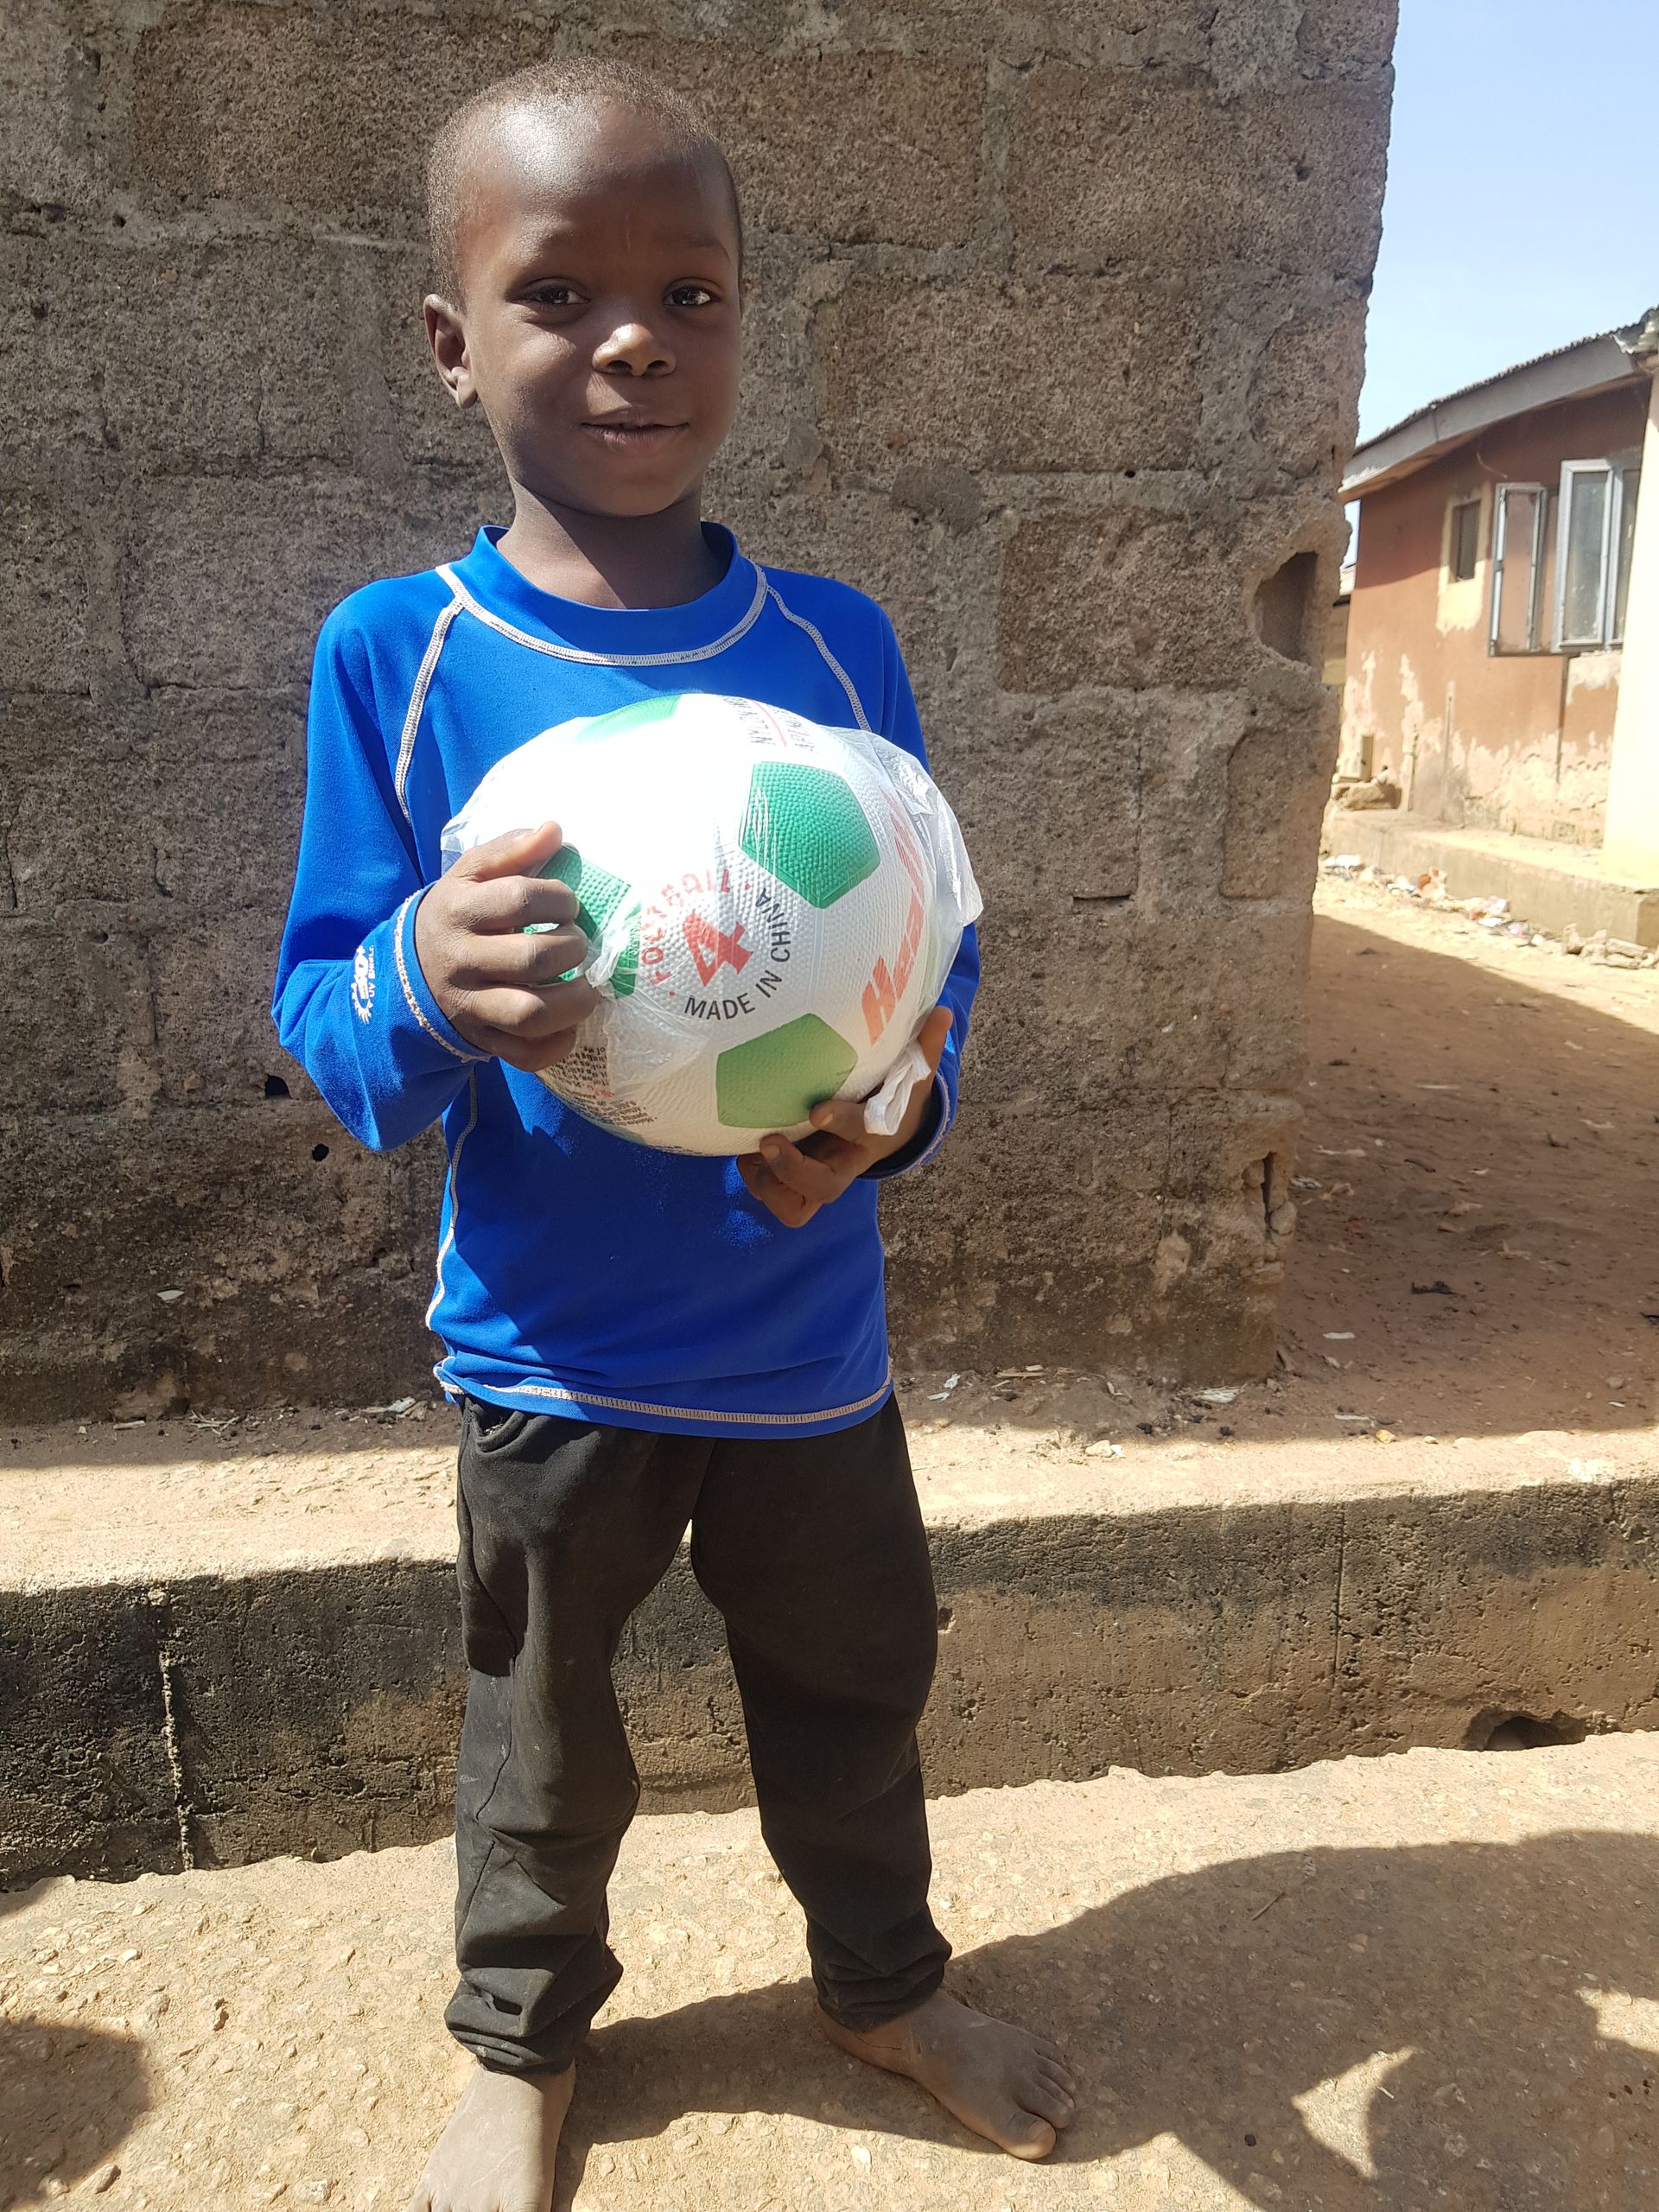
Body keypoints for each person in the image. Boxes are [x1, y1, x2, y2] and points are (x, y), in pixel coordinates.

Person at [271, 56, 1075, 2212]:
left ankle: (884, 1984)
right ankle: (522, 2045)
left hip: (806, 1344)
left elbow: (934, 963)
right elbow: (331, 1028)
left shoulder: (836, 647)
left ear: (742, 323)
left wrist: (892, 1114)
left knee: (860, 1685)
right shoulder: (402, 657)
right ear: (451, 344)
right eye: (561, 293)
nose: (634, 339)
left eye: (689, 292)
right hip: (551, 1354)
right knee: (541, 1739)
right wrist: (425, 979)